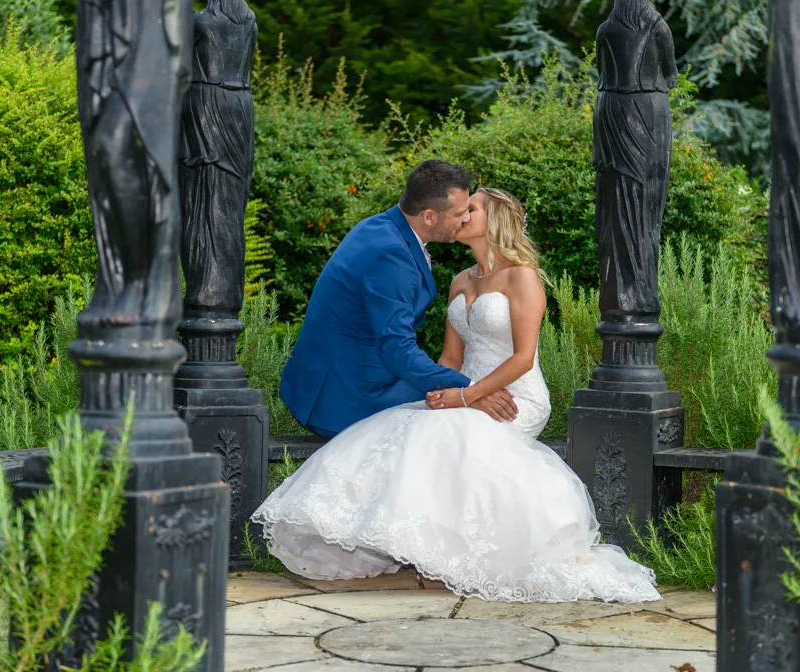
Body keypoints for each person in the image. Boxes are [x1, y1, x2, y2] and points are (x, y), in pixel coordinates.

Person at [253, 187, 661, 604]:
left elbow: (522, 359)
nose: (464, 214)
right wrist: (438, 393)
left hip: (514, 396)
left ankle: (455, 554)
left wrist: (467, 397)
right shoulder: (460, 280)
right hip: (466, 394)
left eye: (474, 208)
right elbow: (450, 357)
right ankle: (410, 545)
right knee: (408, 422)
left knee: (448, 432)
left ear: (496, 219)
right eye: (463, 208)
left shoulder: (522, 275)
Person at [279, 160, 520, 439]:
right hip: (345, 396)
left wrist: (464, 391)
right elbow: (398, 351)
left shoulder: (379, 226)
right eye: (459, 212)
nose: (465, 218)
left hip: (332, 378)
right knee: (457, 420)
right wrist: (469, 391)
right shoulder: (392, 254)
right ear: (430, 216)